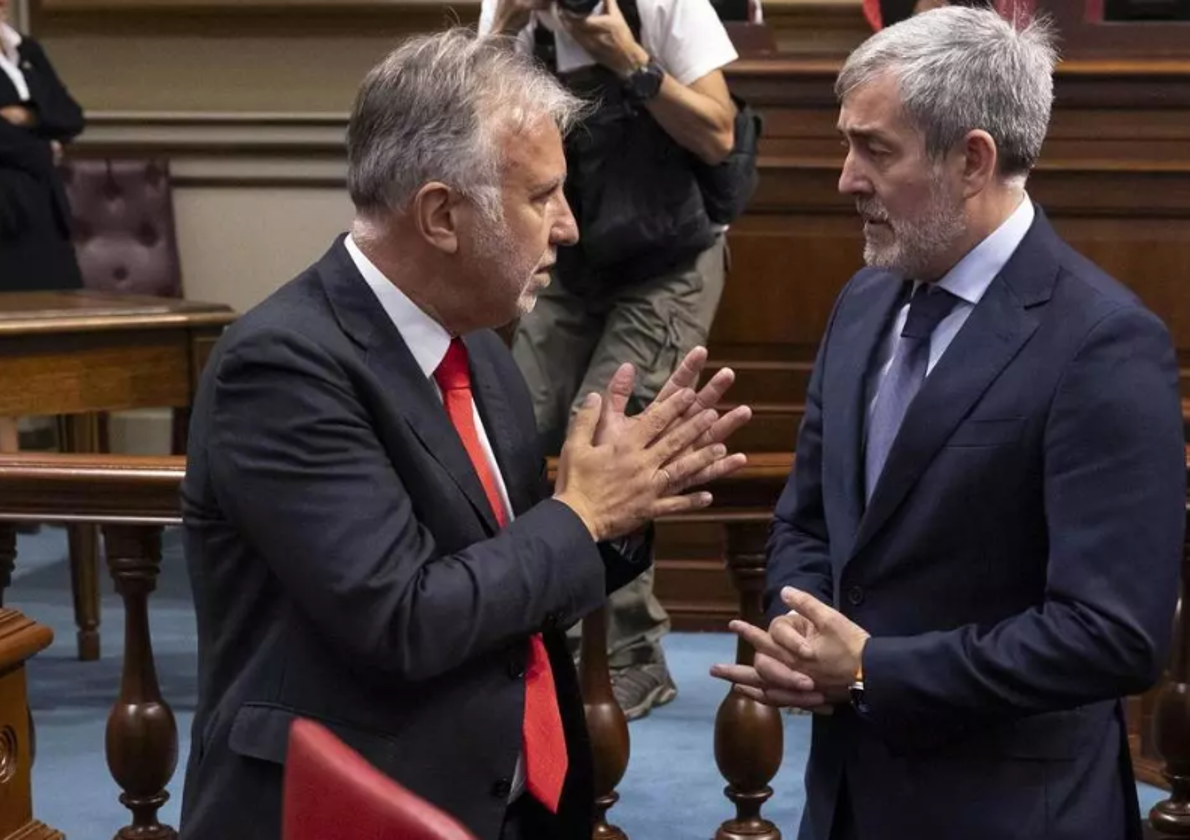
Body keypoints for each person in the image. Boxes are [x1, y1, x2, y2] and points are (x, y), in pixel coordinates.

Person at [178, 29, 751, 840]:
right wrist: (582, 515)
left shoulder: (478, 344)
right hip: (350, 810)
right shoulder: (280, 367)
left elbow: (515, 574)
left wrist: (627, 504)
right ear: (442, 215)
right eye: (542, 196)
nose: (569, 228)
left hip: (502, 799)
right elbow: (404, 619)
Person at [711, 8, 1184, 840]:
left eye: (875, 150)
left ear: (973, 160)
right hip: (850, 799)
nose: (845, 178)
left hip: (1008, 811)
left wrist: (869, 670)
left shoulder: (1103, 343)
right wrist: (801, 625)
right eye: (847, 143)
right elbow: (811, 517)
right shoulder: (863, 302)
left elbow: (1111, 635)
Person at [480, 0, 742, 721]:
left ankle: (630, 655)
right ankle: (536, 632)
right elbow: (463, 124)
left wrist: (628, 55)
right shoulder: (515, 18)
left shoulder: (661, 6)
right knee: (513, 428)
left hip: (669, 260)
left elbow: (719, 134)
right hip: (570, 259)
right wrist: (502, 29)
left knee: (606, 434)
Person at [0, 0, 84, 457]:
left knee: (65, 343)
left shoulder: (25, 48)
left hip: (45, 219)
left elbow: (70, 116)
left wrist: (24, 115)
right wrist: (42, 147)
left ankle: (70, 479)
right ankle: (9, 484)